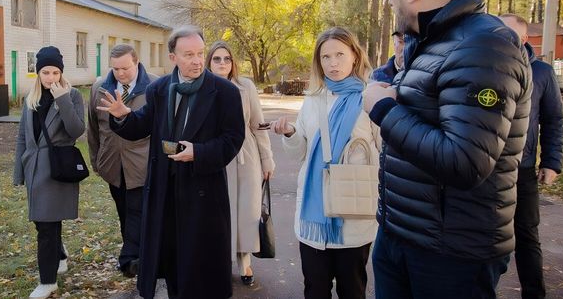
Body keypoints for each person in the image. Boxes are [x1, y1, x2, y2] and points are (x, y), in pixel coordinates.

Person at [363, 0, 532, 299]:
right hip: (403, 234)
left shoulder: (485, 45)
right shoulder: (432, 42)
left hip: (449, 255)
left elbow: (465, 162)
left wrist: (383, 110)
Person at [97, 25, 246, 299]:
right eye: (188, 54)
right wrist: (123, 116)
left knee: (202, 266)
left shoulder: (224, 92)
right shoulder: (159, 89)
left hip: (203, 191)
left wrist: (199, 152)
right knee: (173, 261)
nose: (197, 60)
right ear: (172, 57)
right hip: (165, 190)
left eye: (200, 53)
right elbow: (141, 125)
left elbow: (233, 139)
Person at [270, 27, 380, 299]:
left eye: (340, 54)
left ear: (355, 55)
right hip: (313, 215)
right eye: (325, 57)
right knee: (315, 288)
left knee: (352, 289)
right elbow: (300, 153)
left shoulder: (370, 98)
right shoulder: (313, 100)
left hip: (353, 212)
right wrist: (291, 134)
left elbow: (385, 149)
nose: (333, 63)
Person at [499, 13, 563, 299]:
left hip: (522, 170)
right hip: (485, 169)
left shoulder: (542, 73)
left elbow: (553, 119)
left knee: (526, 236)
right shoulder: (481, 66)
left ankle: (534, 294)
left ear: (525, 39)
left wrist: (551, 162)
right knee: (485, 238)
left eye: (511, 34)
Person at [13, 46, 86, 299]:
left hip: (56, 169)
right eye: (46, 72)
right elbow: (23, 136)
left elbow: (76, 130)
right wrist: (19, 172)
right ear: (38, 72)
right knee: (42, 223)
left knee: (47, 226)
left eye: (56, 72)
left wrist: (62, 99)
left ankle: (47, 281)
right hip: (34, 168)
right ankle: (61, 253)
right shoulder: (30, 99)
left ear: (61, 73)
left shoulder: (73, 95)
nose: (51, 77)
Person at [205, 41, 275, 287]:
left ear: (233, 62)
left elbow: (258, 124)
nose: (222, 63)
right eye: (216, 59)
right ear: (209, 62)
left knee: (247, 211)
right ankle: (219, 260)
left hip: (246, 157)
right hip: (216, 157)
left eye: (226, 59)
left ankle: (245, 261)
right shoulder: (203, 88)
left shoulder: (245, 87)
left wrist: (267, 158)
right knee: (219, 212)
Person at [87, 44, 158, 278]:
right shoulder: (99, 88)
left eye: (125, 68)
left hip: (142, 164)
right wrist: (96, 159)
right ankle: (135, 254)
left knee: (137, 209)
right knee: (124, 211)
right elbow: (94, 128)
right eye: (115, 68)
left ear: (136, 63)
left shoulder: (154, 87)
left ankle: (131, 259)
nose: (120, 73)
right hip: (112, 164)